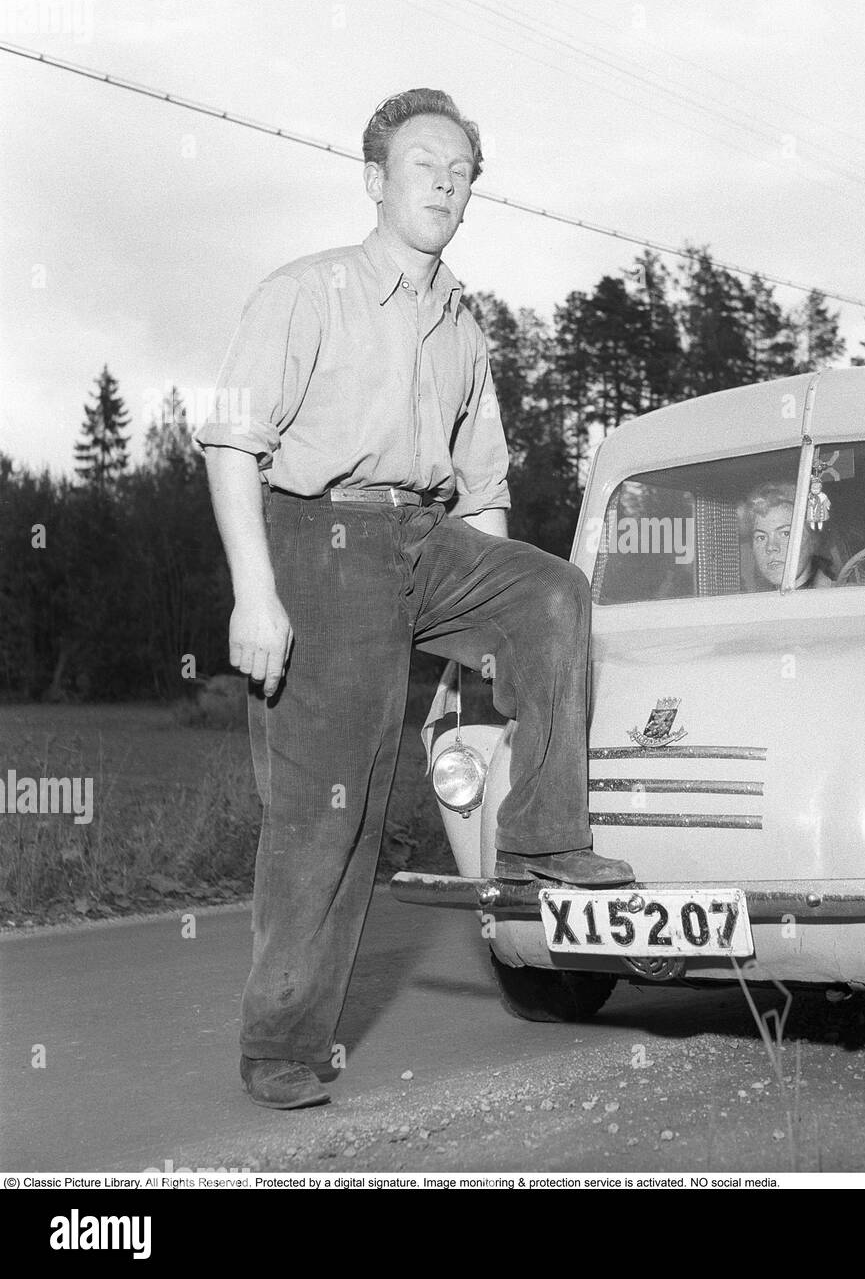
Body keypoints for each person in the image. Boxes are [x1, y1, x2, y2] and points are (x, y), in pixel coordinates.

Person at [194, 88, 633, 1112]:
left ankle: (539, 837)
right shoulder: (307, 293)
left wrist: (482, 635)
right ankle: (281, 1045)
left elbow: (482, 490)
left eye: (461, 171)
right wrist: (254, 595)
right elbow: (229, 442)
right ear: (374, 179)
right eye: (423, 164)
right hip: (320, 534)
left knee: (553, 593)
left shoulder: (462, 327)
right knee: (333, 808)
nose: (444, 183)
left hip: (425, 537)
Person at [740, 482, 833, 590]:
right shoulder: (753, 603)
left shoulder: (842, 597)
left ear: (813, 540)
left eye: (786, 533)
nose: (771, 547)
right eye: (761, 537)